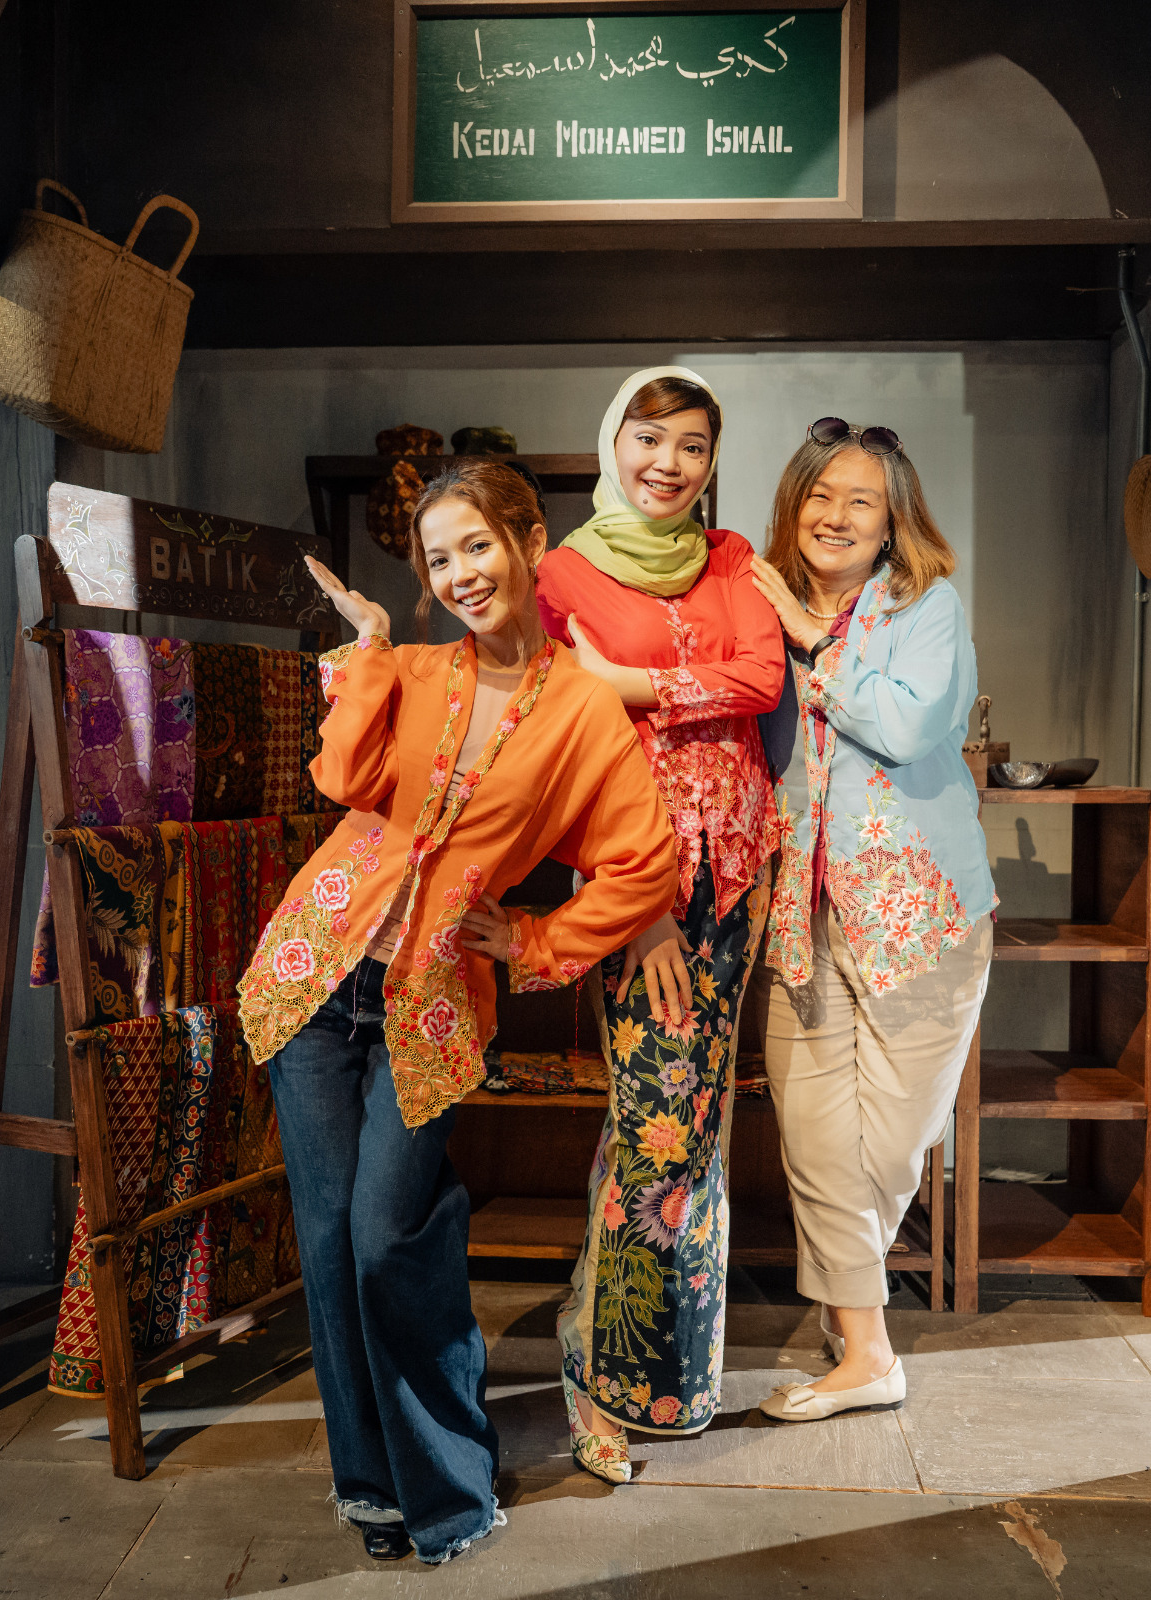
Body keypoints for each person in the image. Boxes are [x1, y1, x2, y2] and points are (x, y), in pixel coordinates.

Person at [237, 460, 677, 1564]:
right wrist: (368, 651)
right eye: (439, 559)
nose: (461, 573)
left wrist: (533, 941)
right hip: (316, 968)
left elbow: (642, 863)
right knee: (329, 1239)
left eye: (478, 545)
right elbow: (343, 782)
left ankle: (447, 1481)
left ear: (530, 542)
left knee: (388, 1236)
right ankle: (371, 1488)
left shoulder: (583, 707)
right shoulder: (415, 667)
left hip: (429, 1002)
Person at [532, 367, 785, 1479]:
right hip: (642, 887)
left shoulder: (731, 559)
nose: (668, 463)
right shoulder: (561, 572)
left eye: (691, 445)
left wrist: (628, 681)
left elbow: (764, 678)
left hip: (739, 875)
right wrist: (633, 915)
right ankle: (598, 1374)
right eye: (649, 437)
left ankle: (672, 1373)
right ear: (613, 442)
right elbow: (564, 745)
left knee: (702, 1128)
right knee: (654, 1128)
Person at [746, 418, 996, 1422]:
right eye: (820, 494)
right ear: (794, 504)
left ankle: (850, 1310)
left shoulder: (924, 604)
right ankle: (866, 1349)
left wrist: (814, 641)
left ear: (893, 520)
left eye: (861, 500)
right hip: (800, 909)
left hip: (921, 912)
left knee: (892, 1145)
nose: (836, 515)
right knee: (814, 1138)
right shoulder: (756, 604)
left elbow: (905, 725)